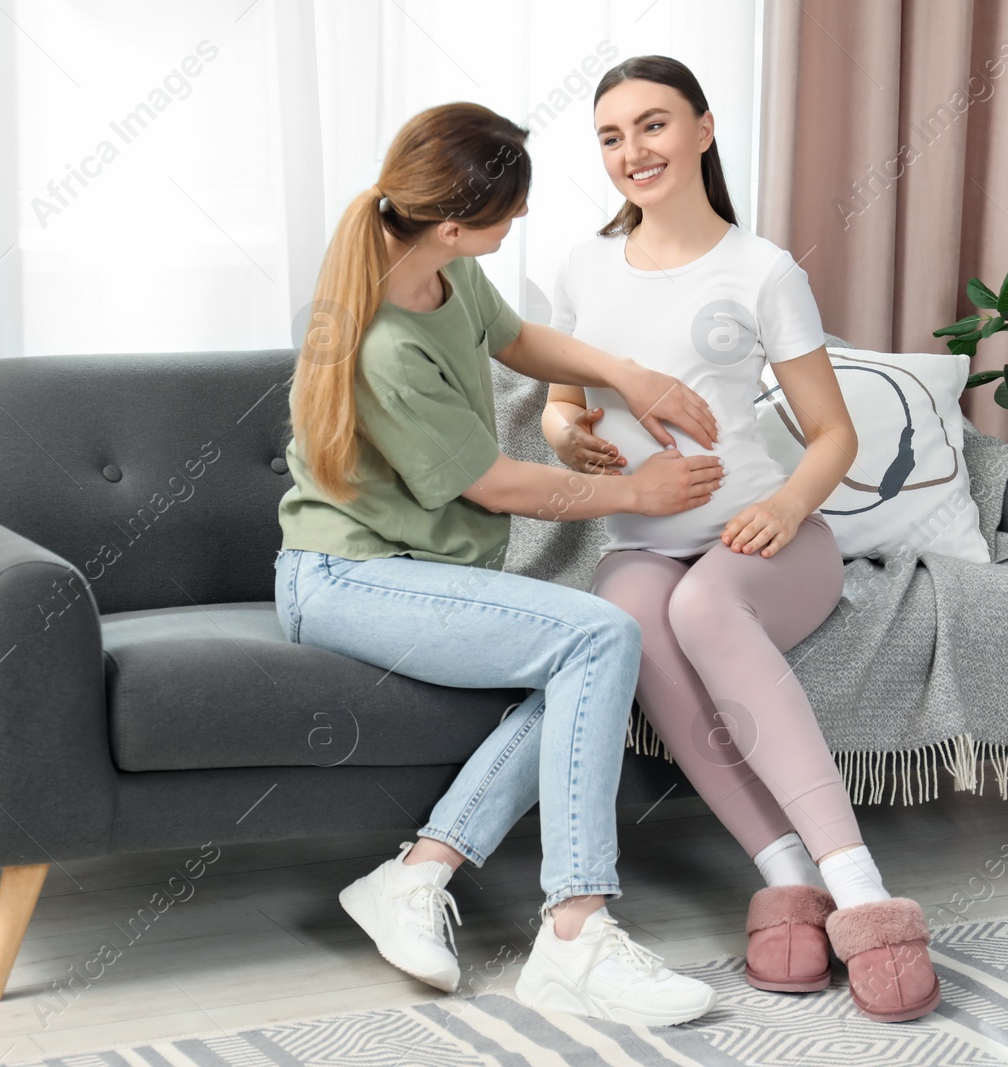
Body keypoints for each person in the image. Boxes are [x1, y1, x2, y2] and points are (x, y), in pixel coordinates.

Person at [274, 101, 727, 1027]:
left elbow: (517, 339)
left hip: (418, 570)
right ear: (450, 222)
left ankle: (416, 875)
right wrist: (640, 494)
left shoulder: (442, 274)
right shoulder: (383, 345)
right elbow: (496, 486)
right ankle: (574, 933)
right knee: (603, 633)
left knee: (589, 655)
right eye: (505, 210)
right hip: (345, 578)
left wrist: (629, 376)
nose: (517, 223)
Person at [541, 56, 941, 1023]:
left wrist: (789, 509)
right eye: (611, 135)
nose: (632, 151)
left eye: (653, 125)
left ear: (705, 130)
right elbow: (557, 407)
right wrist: (573, 438)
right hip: (643, 540)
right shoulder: (579, 269)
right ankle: (784, 876)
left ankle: (863, 894)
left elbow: (833, 434)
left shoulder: (762, 269)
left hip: (769, 542)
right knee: (625, 613)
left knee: (704, 601)